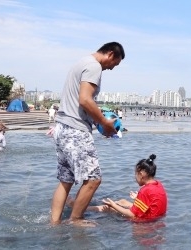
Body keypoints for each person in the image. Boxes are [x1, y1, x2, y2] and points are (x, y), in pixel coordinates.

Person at [50, 42, 125, 224]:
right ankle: (76, 219)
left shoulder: (81, 62)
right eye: (114, 64)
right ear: (110, 54)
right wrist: (104, 123)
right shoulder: (94, 66)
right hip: (75, 130)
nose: (112, 68)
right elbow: (84, 99)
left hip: (62, 128)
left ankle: (54, 223)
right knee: (93, 179)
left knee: (65, 180)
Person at [67, 154, 168, 221]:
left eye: (135, 174)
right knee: (123, 201)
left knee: (108, 208)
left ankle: (79, 208)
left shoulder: (145, 190)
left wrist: (113, 205)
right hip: (154, 216)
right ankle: (83, 205)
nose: (135, 177)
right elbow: (153, 202)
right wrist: (138, 198)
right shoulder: (158, 184)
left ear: (141, 174)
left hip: (144, 221)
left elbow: (132, 215)